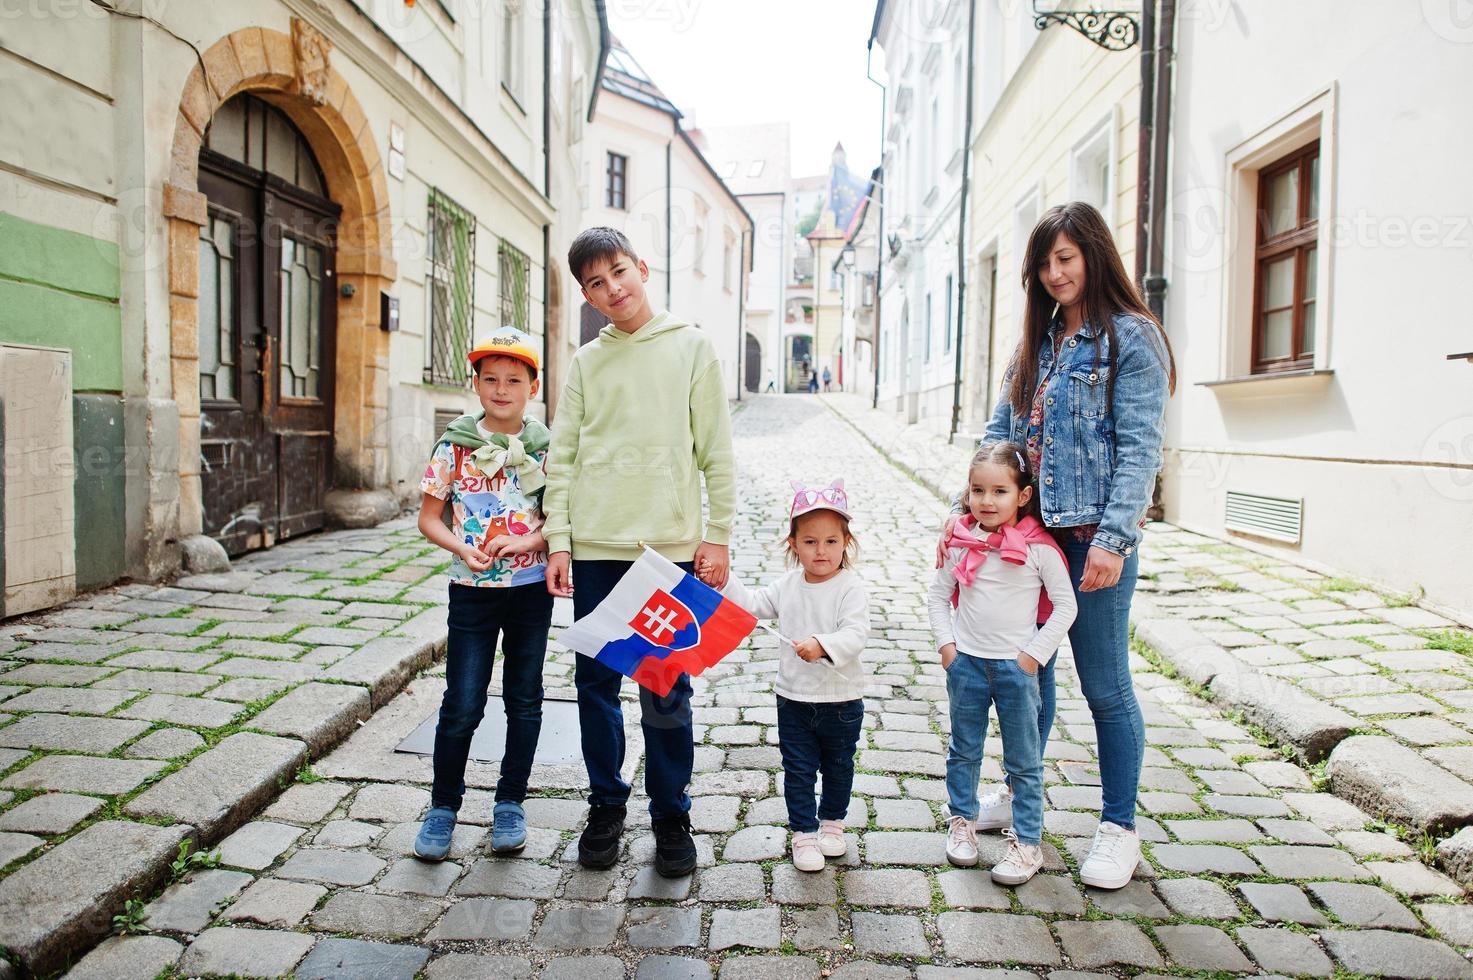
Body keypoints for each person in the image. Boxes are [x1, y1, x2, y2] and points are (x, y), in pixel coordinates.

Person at [938, 201, 1174, 890]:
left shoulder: (1132, 338)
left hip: (1090, 542)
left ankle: (1117, 829)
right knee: (1025, 677)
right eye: (1043, 262)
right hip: (1023, 541)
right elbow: (997, 434)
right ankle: (1019, 795)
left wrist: (1113, 540)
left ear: (1094, 255)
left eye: (1065, 258)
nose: (1054, 273)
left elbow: (1139, 451)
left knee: (1104, 687)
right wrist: (966, 519)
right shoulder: (1034, 345)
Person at [544, 226, 736, 878]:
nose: (612, 289)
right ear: (586, 295)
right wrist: (560, 541)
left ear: (642, 268)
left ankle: (671, 816)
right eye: (596, 283)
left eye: (618, 272)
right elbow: (562, 456)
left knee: (664, 687)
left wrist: (718, 534)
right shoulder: (586, 363)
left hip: (667, 551)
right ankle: (605, 806)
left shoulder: (690, 348)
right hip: (596, 550)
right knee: (595, 686)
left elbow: (715, 451)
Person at [413, 327, 553, 861]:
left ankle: (510, 804)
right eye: (490, 378)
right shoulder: (455, 446)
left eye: (513, 379)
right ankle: (443, 807)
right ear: (475, 384)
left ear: (532, 386)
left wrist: (526, 541)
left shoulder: (547, 448)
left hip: (529, 590)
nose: (501, 389)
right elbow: (429, 518)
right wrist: (461, 548)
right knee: (463, 700)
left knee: (524, 698)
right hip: (470, 590)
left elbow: (561, 519)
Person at [929, 443, 1076, 885]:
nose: (987, 501)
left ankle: (1027, 843)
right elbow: (938, 596)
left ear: (1022, 496)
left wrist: (1032, 657)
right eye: (977, 491)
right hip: (967, 665)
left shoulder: (1039, 550)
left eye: (999, 491)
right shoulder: (960, 543)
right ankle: (962, 822)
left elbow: (1066, 606)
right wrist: (947, 648)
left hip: (1015, 669)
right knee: (964, 749)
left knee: (1024, 761)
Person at [721, 480, 869, 872]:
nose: (821, 551)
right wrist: (725, 579)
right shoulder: (787, 586)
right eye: (810, 542)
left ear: (845, 542)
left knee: (839, 765)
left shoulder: (851, 587)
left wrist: (822, 644)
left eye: (831, 542)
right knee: (798, 769)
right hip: (794, 698)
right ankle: (803, 833)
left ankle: (832, 824)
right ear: (794, 544)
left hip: (841, 699)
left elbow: (855, 634)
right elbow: (751, 606)